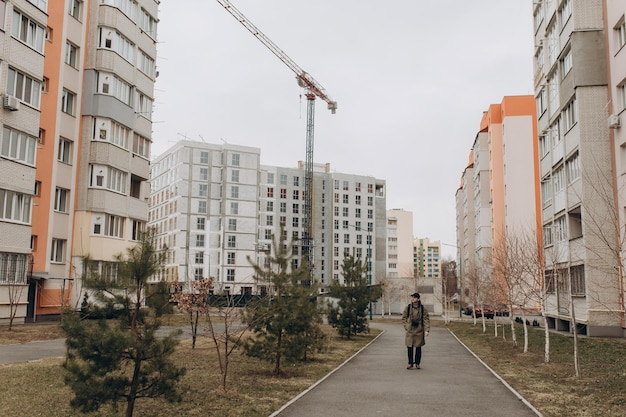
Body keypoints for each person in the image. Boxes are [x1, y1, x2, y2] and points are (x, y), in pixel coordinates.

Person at [401, 292, 430, 369]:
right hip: (410, 330)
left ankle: (417, 363)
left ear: (418, 299)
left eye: (414, 297)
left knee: (418, 347)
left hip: (419, 330)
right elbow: (403, 317)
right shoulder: (408, 307)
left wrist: (427, 330)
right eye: (412, 297)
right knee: (409, 347)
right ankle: (410, 363)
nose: (413, 299)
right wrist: (406, 326)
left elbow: (426, 319)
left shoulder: (423, 309)